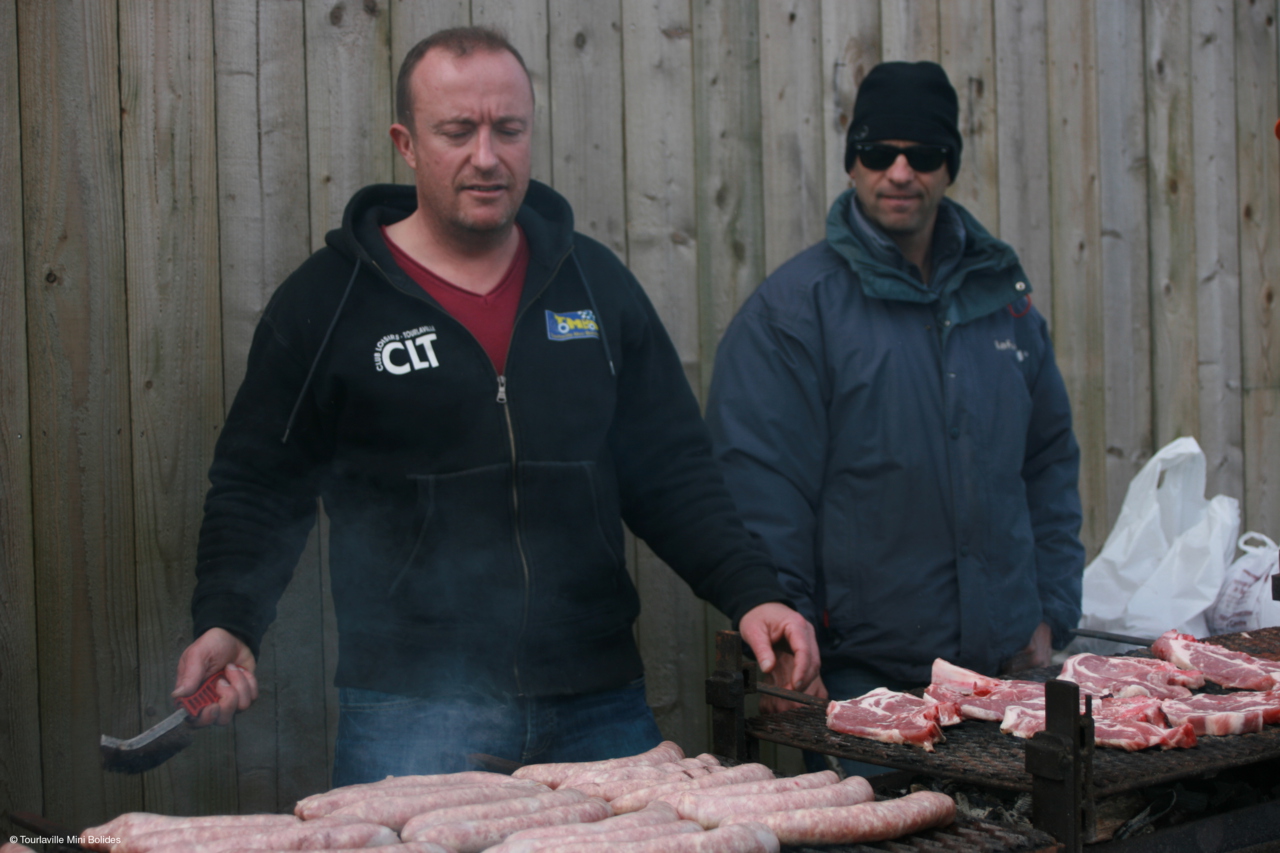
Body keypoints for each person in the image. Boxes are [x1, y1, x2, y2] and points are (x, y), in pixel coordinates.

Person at [172, 26, 818, 786]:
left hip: (598, 701)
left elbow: (673, 472)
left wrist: (752, 593)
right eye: (458, 131)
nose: (487, 156)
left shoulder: (594, 284)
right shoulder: (327, 303)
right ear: (407, 144)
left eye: (508, 129)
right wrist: (229, 617)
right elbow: (257, 486)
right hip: (410, 711)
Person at [705, 61, 1084, 773]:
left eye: (924, 154)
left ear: (950, 166)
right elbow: (760, 489)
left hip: (1008, 683)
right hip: (865, 688)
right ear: (853, 162)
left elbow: (1049, 462)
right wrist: (785, 643)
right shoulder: (794, 313)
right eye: (879, 152)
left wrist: (1051, 610)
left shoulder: (1003, 304)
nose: (900, 172)